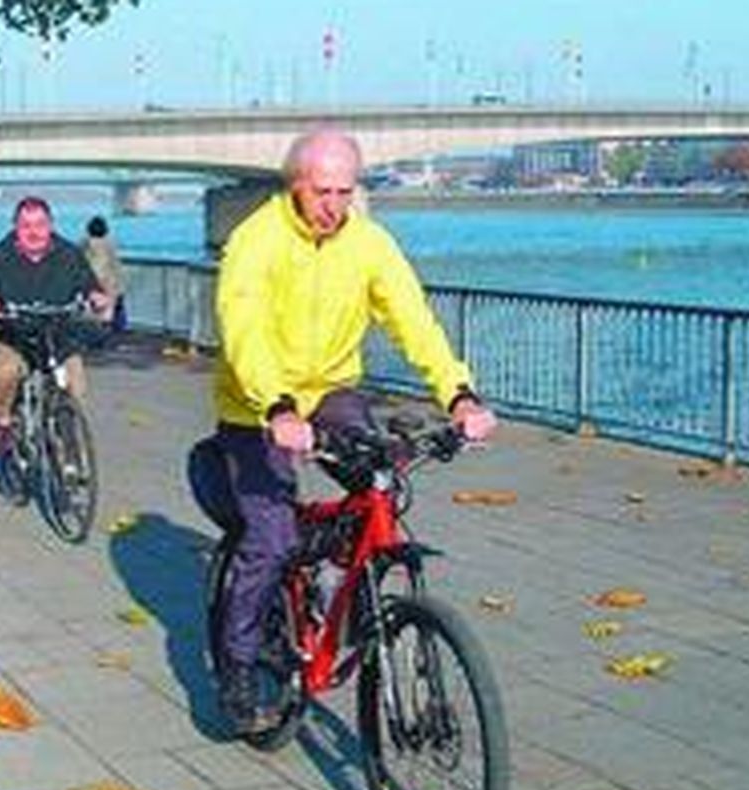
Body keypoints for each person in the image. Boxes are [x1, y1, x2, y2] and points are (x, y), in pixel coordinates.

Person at [195, 127, 497, 737]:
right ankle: (239, 667)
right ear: (295, 186)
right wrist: (277, 407)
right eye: (323, 192)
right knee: (272, 539)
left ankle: (339, 586)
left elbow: (413, 319)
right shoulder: (257, 240)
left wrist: (458, 394)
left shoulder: (368, 242)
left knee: (378, 481)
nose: (335, 206)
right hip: (258, 406)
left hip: (332, 392)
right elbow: (244, 326)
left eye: (346, 191)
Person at [0, 197, 111, 451]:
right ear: (16, 228)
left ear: (50, 225)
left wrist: (96, 296)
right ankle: (3, 421)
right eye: (26, 226)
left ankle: (69, 446)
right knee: (8, 371)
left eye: (40, 224)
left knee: (76, 385)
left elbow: (88, 283)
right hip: (10, 334)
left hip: (57, 334)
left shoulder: (69, 254)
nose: (34, 232)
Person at [79, 215, 127, 334]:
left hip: (89, 283)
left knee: (90, 312)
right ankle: (103, 336)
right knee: (106, 315)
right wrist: (120, 288)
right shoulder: (109, 245)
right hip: (108, 284)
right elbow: (115, 267)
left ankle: (92, 336)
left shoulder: (83, 244)